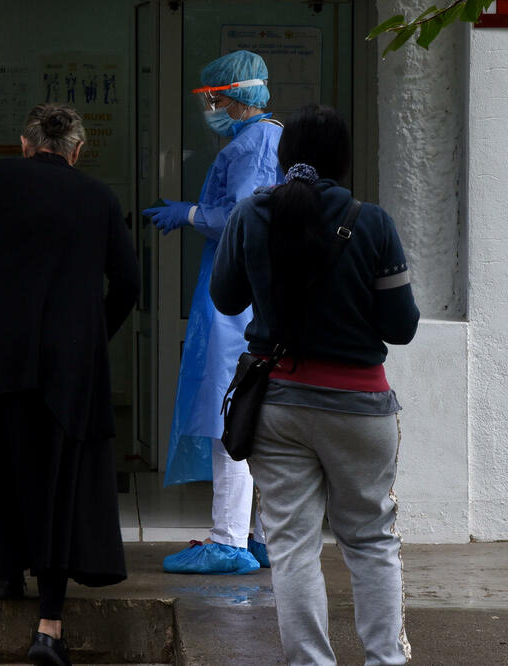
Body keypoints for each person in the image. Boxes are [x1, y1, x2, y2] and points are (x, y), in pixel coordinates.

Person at [211, 103, 418, 665]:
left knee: (293, 548)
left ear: (285, 156)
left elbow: (226, 298)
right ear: (343, 160)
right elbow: (402, 328)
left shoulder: (251, 216)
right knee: (372, 542)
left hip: (276, 405)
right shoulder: (373, 222)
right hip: (361, 409)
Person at [0, 104, 139, 666]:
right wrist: (93, 329)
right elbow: (128, 280)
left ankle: (4, 575)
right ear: (76, 151)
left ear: (25, 144)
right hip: (66, 359)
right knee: (58, 481)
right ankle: (49, 622)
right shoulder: (99, 198)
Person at [143, 50, 282, 574]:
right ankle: (262, 537)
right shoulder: (266, 138)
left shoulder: (253, 144)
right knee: (258, 418)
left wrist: (190, 213)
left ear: (238, 96)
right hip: (250, 294)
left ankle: (229, 540)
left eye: (215, 98)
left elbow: (242, 214)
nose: (212, 108)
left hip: (237, 301)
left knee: (234, 414)